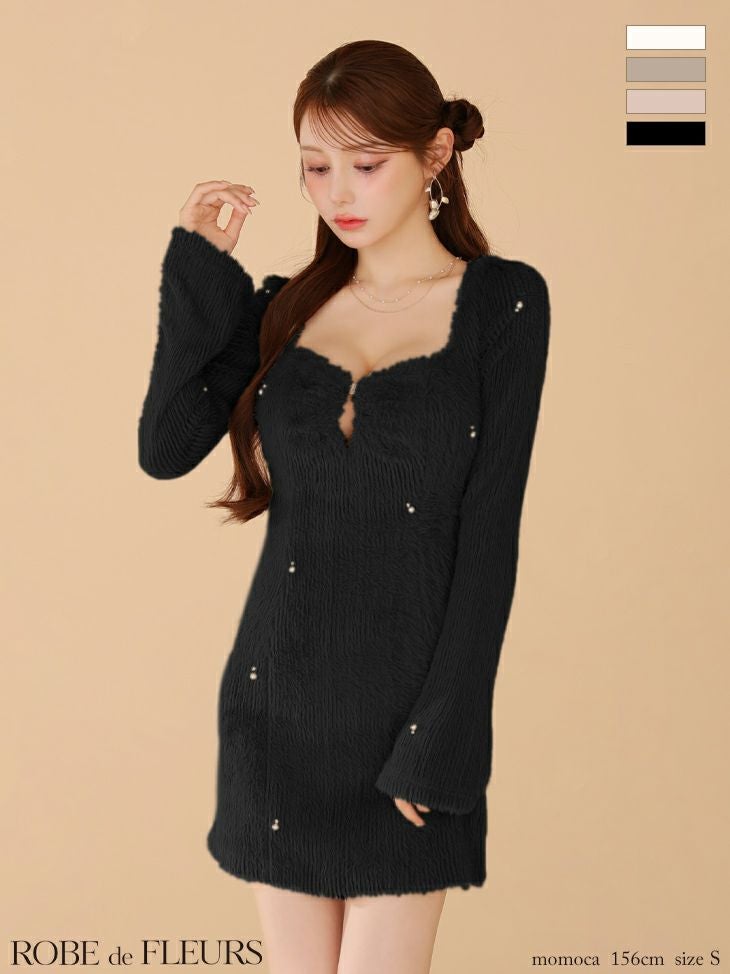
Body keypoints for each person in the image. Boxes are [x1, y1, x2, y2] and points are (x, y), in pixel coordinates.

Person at [138, 39, 550, 974]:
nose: (338, 193)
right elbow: (165, 447)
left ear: (435, 155)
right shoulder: (284, 309)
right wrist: (197, 268)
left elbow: (491, 538)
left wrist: (444, 740)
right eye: (316, 167)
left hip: (410, 726)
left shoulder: (503, 304)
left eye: (366, 164)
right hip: (275, 711)